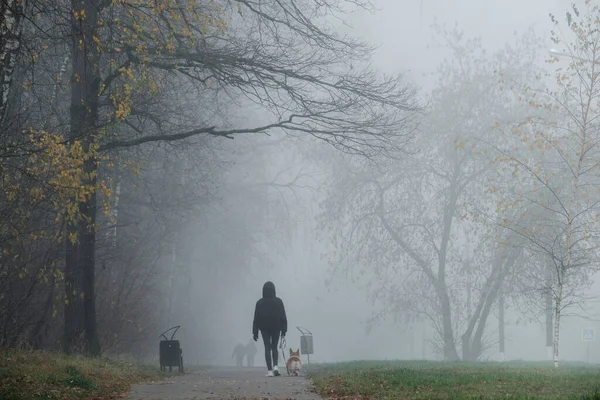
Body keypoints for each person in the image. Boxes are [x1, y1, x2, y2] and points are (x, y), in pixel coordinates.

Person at [252, 281, 287, 377]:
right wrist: (284, 330)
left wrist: (255, 332)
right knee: (274, 347)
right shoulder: (279, 301)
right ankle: (276, 366)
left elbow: (256, 318)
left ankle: (270, 370)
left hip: (264, 328)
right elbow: (283, 316)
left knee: (267, 347)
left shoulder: (259, 302)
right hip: (276, 327)